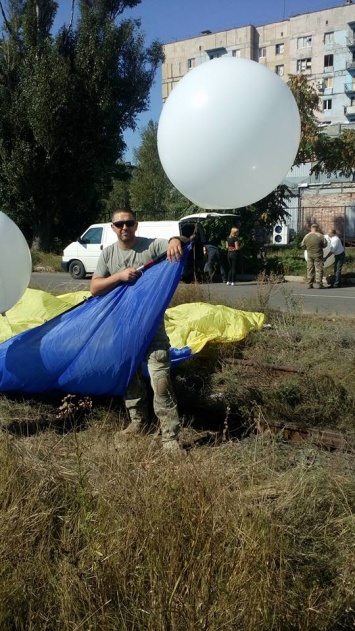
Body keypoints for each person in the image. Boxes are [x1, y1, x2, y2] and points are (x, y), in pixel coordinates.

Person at [90, 209, 188, 452]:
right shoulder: (108, 254)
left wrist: (177, 240)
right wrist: (119, 276)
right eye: (119, 224)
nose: (125, 227)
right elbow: (95, 287)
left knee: (161, 381)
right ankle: (138, 422)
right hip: (122, 329)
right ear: (112, 227)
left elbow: (178, 243)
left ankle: (170, 437)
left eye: (129, 223)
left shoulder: (151, 246)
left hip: (152, 328)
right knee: (129, 378)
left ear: (136, 225)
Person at [301, 223, 328, 289]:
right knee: (318, 269)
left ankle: (310, 284)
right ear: (317, 228)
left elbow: (302, 245)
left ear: (311, 228)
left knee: (310, 269)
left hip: (309, 255)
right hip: (318, 255)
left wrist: (307, 248)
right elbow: (325, 245)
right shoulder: (320, 236)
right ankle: (319, 284)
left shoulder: (307, 236)